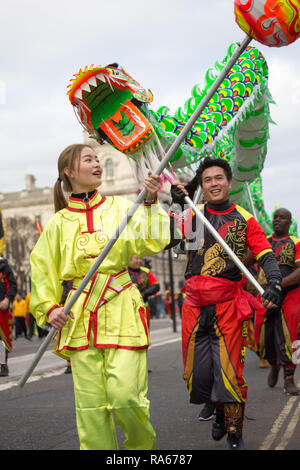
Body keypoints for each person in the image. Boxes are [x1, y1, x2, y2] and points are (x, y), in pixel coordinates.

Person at [29, 143, 170, 450]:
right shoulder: (57, 224)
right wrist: (49, 307)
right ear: (69, 172)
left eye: (97, 159)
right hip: (80, 318)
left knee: (126, 397)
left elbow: (152, 241)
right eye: (88, 160)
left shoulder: (121, 207)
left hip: (122, 307)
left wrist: (149, 201)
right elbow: (41, 271)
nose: (96, 164)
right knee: (91, 410)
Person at [169, 156, 282, 450]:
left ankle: (234, 431)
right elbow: (169, 239)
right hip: (194, 305)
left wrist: (275, 283)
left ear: (229, 183)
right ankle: (216, 409)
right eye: (207, 180)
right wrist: (177, 205)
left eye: (219, 178)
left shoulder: (245, 218)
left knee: (229, 372)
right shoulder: (192, 215)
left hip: (228, 306)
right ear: (202, 187)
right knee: (198, 373)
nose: (213, 184)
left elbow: (265, 254)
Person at [251, 208, 300, 395]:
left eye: (283, 218)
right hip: (266, 295)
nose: (278, 220)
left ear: (289, 222)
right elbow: (245, 261)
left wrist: (278, 285)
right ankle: (274, 364)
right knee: (262, 336)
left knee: (290, 335)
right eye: (275, 217)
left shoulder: (295, 243)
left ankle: (289, 377)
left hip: (290, 294)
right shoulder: (264, 242)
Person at [128, 255, 160, 327]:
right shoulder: (123, 271)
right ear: (129, 260)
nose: (140, 261)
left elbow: (156, 286)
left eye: (140, 258)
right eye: (137, 259)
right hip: (127, 308)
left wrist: (144, 293)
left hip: (143, 307)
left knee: (144, 331)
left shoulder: (145, 271)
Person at [0, 257, 17, 376]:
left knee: (1, 339)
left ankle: (2, 365)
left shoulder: (3, 266)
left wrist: (7, 299)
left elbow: (12, 285)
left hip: (1, 309)